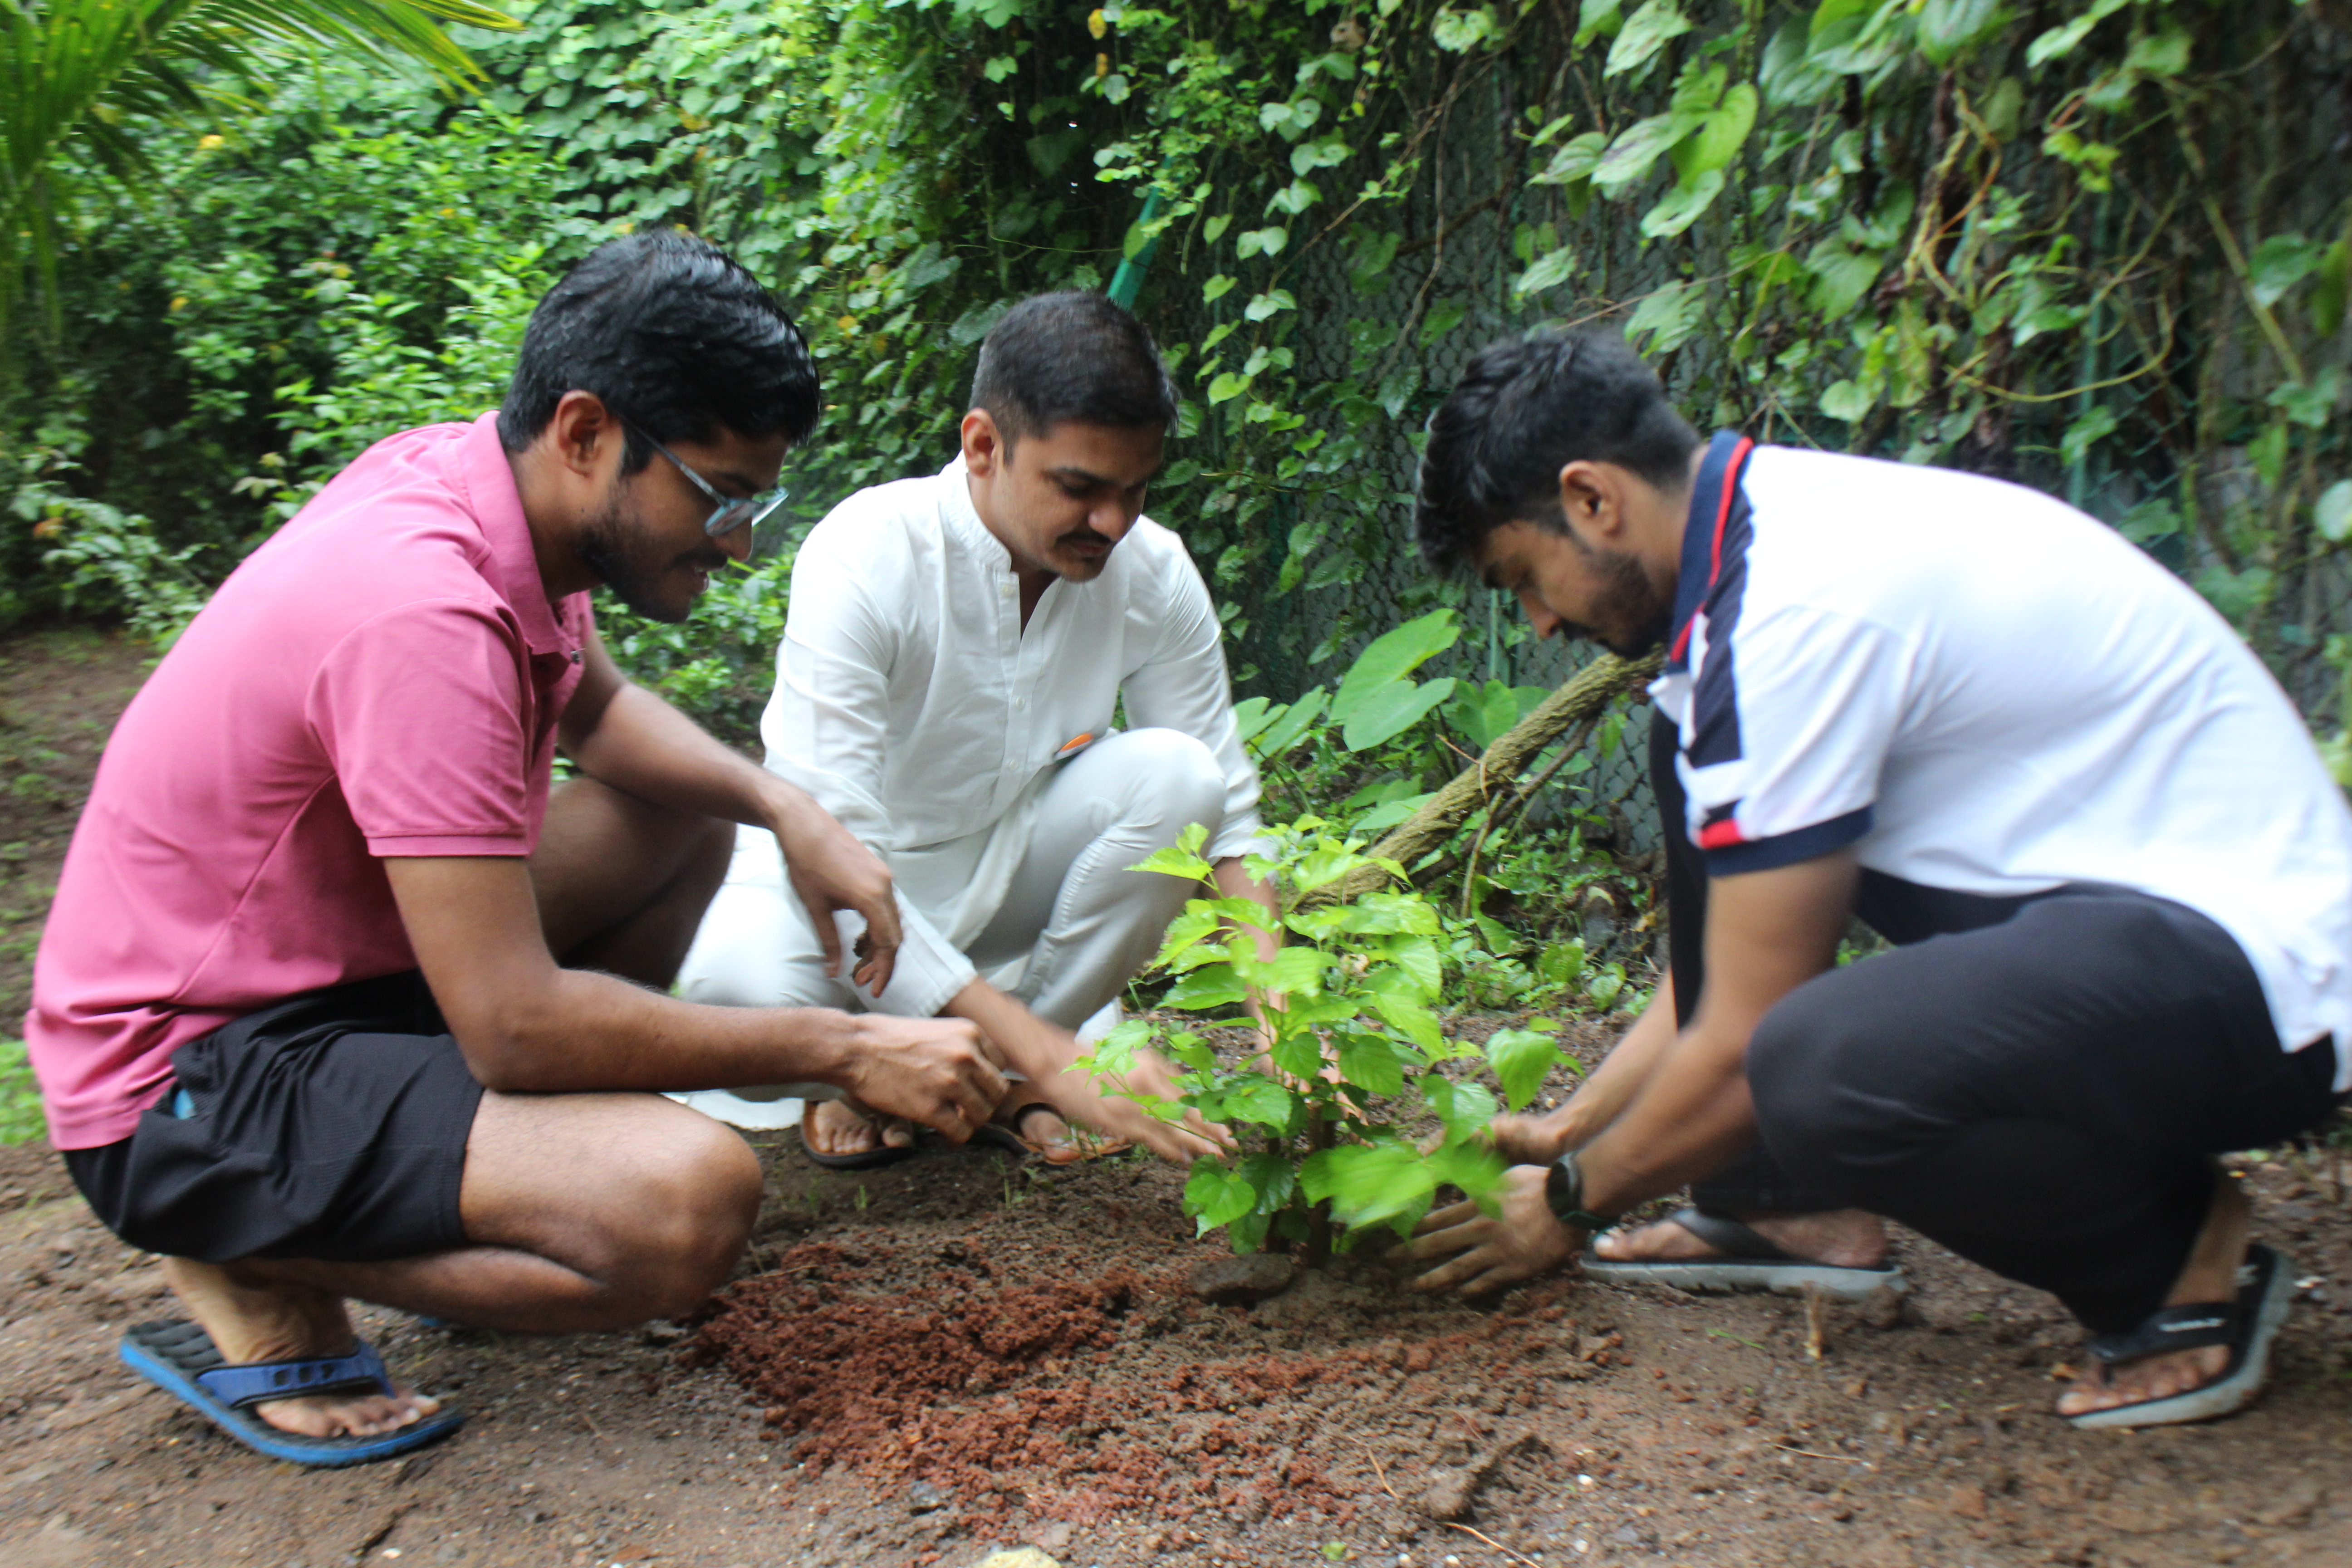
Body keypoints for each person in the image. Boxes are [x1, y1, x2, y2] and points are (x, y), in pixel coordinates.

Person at [25, 232, 1004, 1465]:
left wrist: (790, 812)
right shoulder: (421, 613)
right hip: (184, 1074)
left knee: (686, 809)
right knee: (684, 1210)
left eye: (760, 503)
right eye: (718, 498)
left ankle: (477, 1181)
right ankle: (243, 1244)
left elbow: (597, 712)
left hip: (325, 980)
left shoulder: (483, 490)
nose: (740, 544)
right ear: (588, 433)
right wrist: (847, 1048)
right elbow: (515, 1025)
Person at [1400, 328, 2352, 1431]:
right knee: (1691, 755)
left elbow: (1751, 1041)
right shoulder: (1752, 570)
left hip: (2272, 980)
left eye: (1525, 575)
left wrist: (1568, 1203)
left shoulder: (1798, 612)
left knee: (1817, 1067)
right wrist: (1573, 1126)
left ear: (1592, 499)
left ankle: (2184, 1261)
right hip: (2129, 937)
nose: (1542, 619)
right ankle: (1784, 1207)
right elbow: (1727, 974)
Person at [676, 291, 1273, 1167]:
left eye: (1134, 489)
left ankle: (1002, 1071)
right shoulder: (867, 552)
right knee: (738, 991)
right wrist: (1043, 1046)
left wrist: (1285, 1027)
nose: (1111, 522)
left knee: (1182, 781)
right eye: (1079, 487)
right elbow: (834, 846)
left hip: (1004, 871)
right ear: (983, 445)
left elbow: (1229, 820)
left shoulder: (1152, 569)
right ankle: (932, 1063)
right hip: (835, 894)